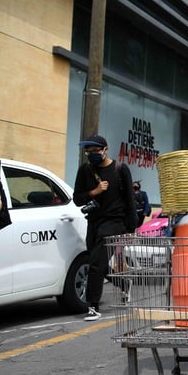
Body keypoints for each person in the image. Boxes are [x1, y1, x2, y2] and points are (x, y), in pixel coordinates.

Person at [73, 134, 139, 321]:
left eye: (95, 150)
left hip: (114, 223)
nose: (92, 154)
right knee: (98, 263)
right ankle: (124, 284)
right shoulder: (85, 170)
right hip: (93, 223)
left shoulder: (120, 169)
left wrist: (130, 229)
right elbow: (77, 198)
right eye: (88, 151)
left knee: (95, 265)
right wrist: (95, 191)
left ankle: (92, 306)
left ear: (105, 150)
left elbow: (129, 200)